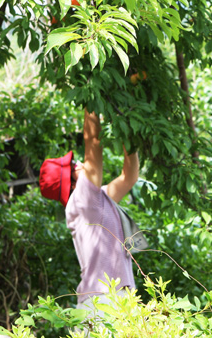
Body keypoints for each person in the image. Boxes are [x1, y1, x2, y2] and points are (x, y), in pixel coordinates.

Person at [39, 109, 139, 317]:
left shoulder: (93, 203)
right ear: (71, 182)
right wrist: (92, 101)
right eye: (74, 165)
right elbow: (93, 143)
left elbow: (129, 176)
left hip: (109, 300)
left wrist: (128, 129)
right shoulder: (82, 199)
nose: (80, 164)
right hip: (103, 302)